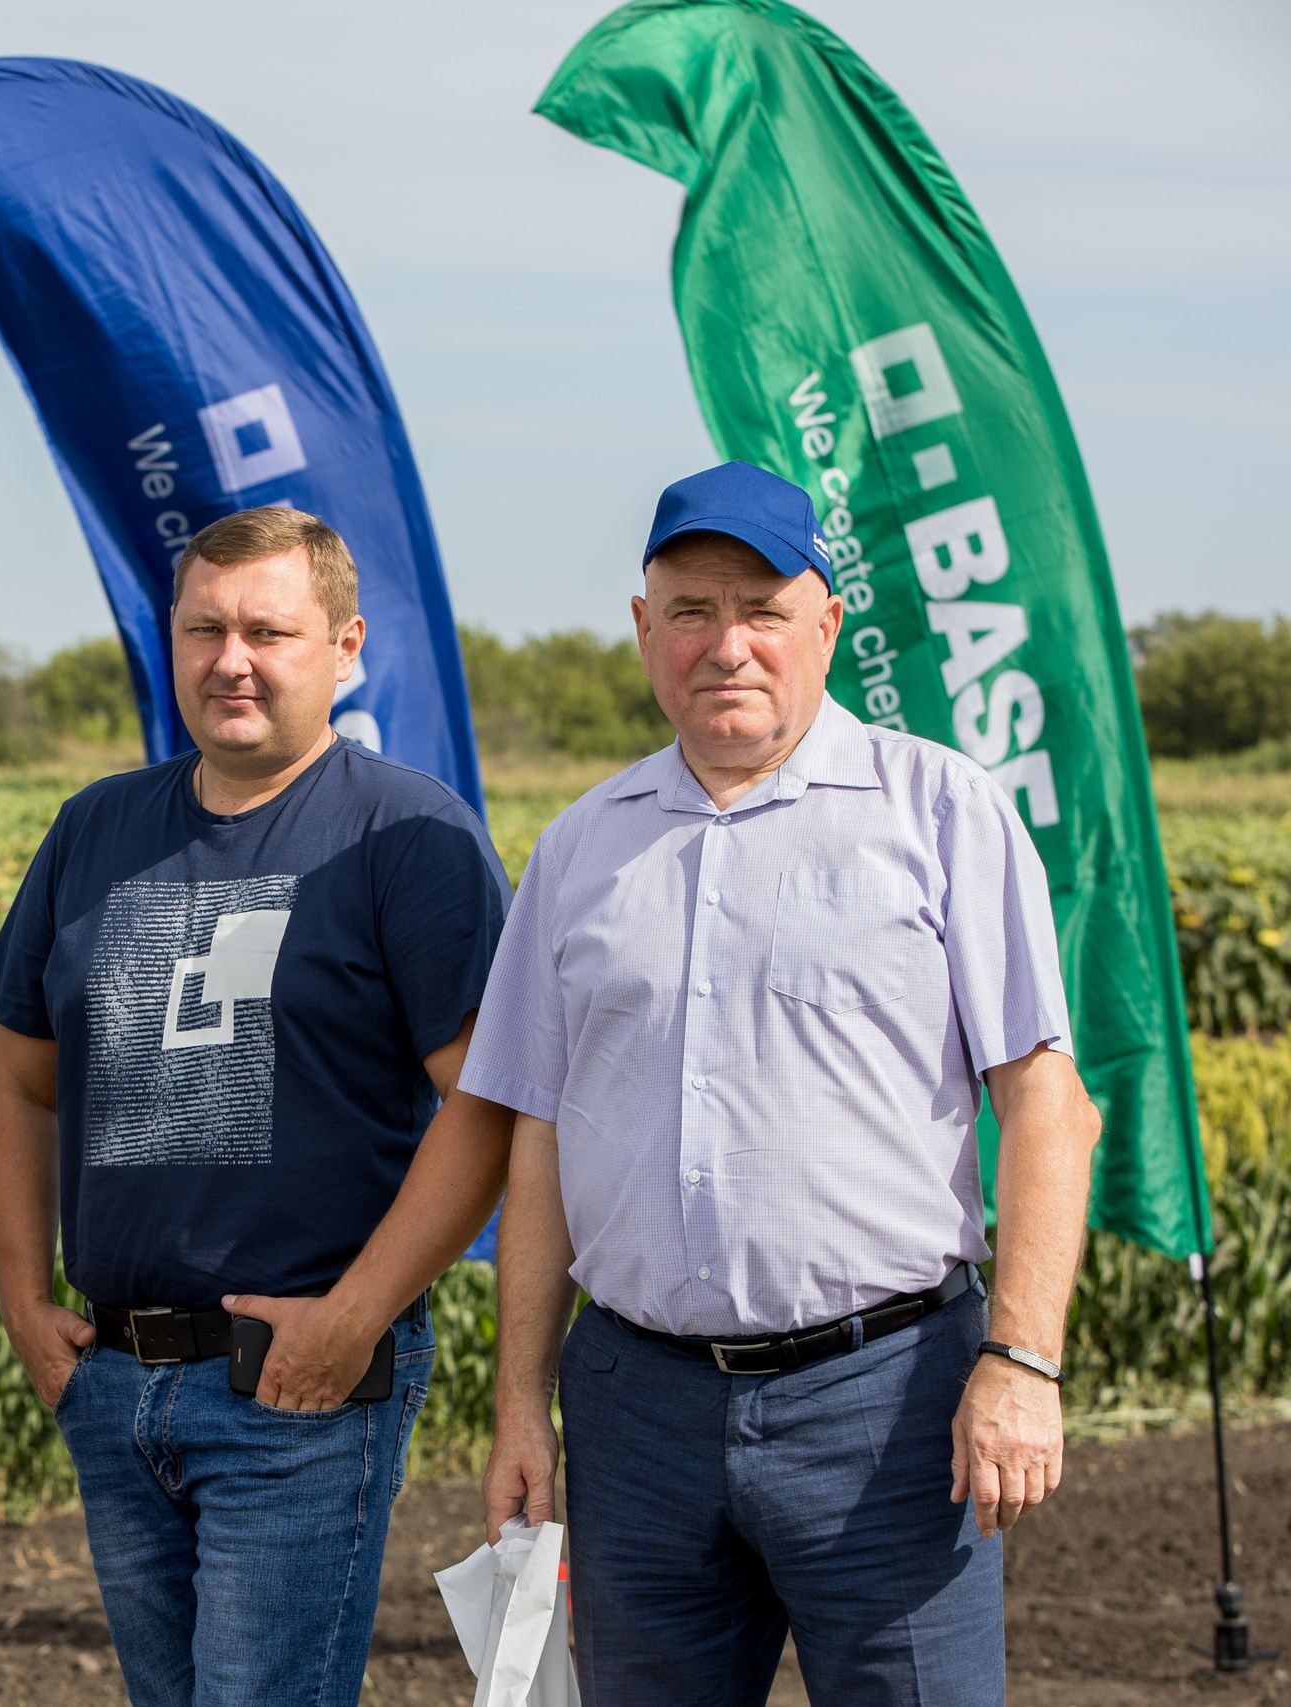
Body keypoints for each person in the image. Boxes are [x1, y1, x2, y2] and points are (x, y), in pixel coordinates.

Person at [468, 461, 1101, 1704]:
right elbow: (536, 1140)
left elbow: (1045, 1100)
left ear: (825, 621)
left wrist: (1021, 1362)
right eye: (692, 612)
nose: (727, 645)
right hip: (634, 1412)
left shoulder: (937, 812)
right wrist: (517, 1409)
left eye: (762, 607)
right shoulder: (581, 847)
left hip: (888, 1403)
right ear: (644, 631)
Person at [0, 504, 515, 1706]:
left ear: (345, 646)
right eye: (204, 628)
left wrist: (357, 1316)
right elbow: (17, 1078)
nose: (231, 659)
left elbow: (487, 1108)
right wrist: (22, 1296)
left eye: (268, 631)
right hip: (115, 1377)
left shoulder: (408, 835)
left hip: (298, 1385)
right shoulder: (95, 828)